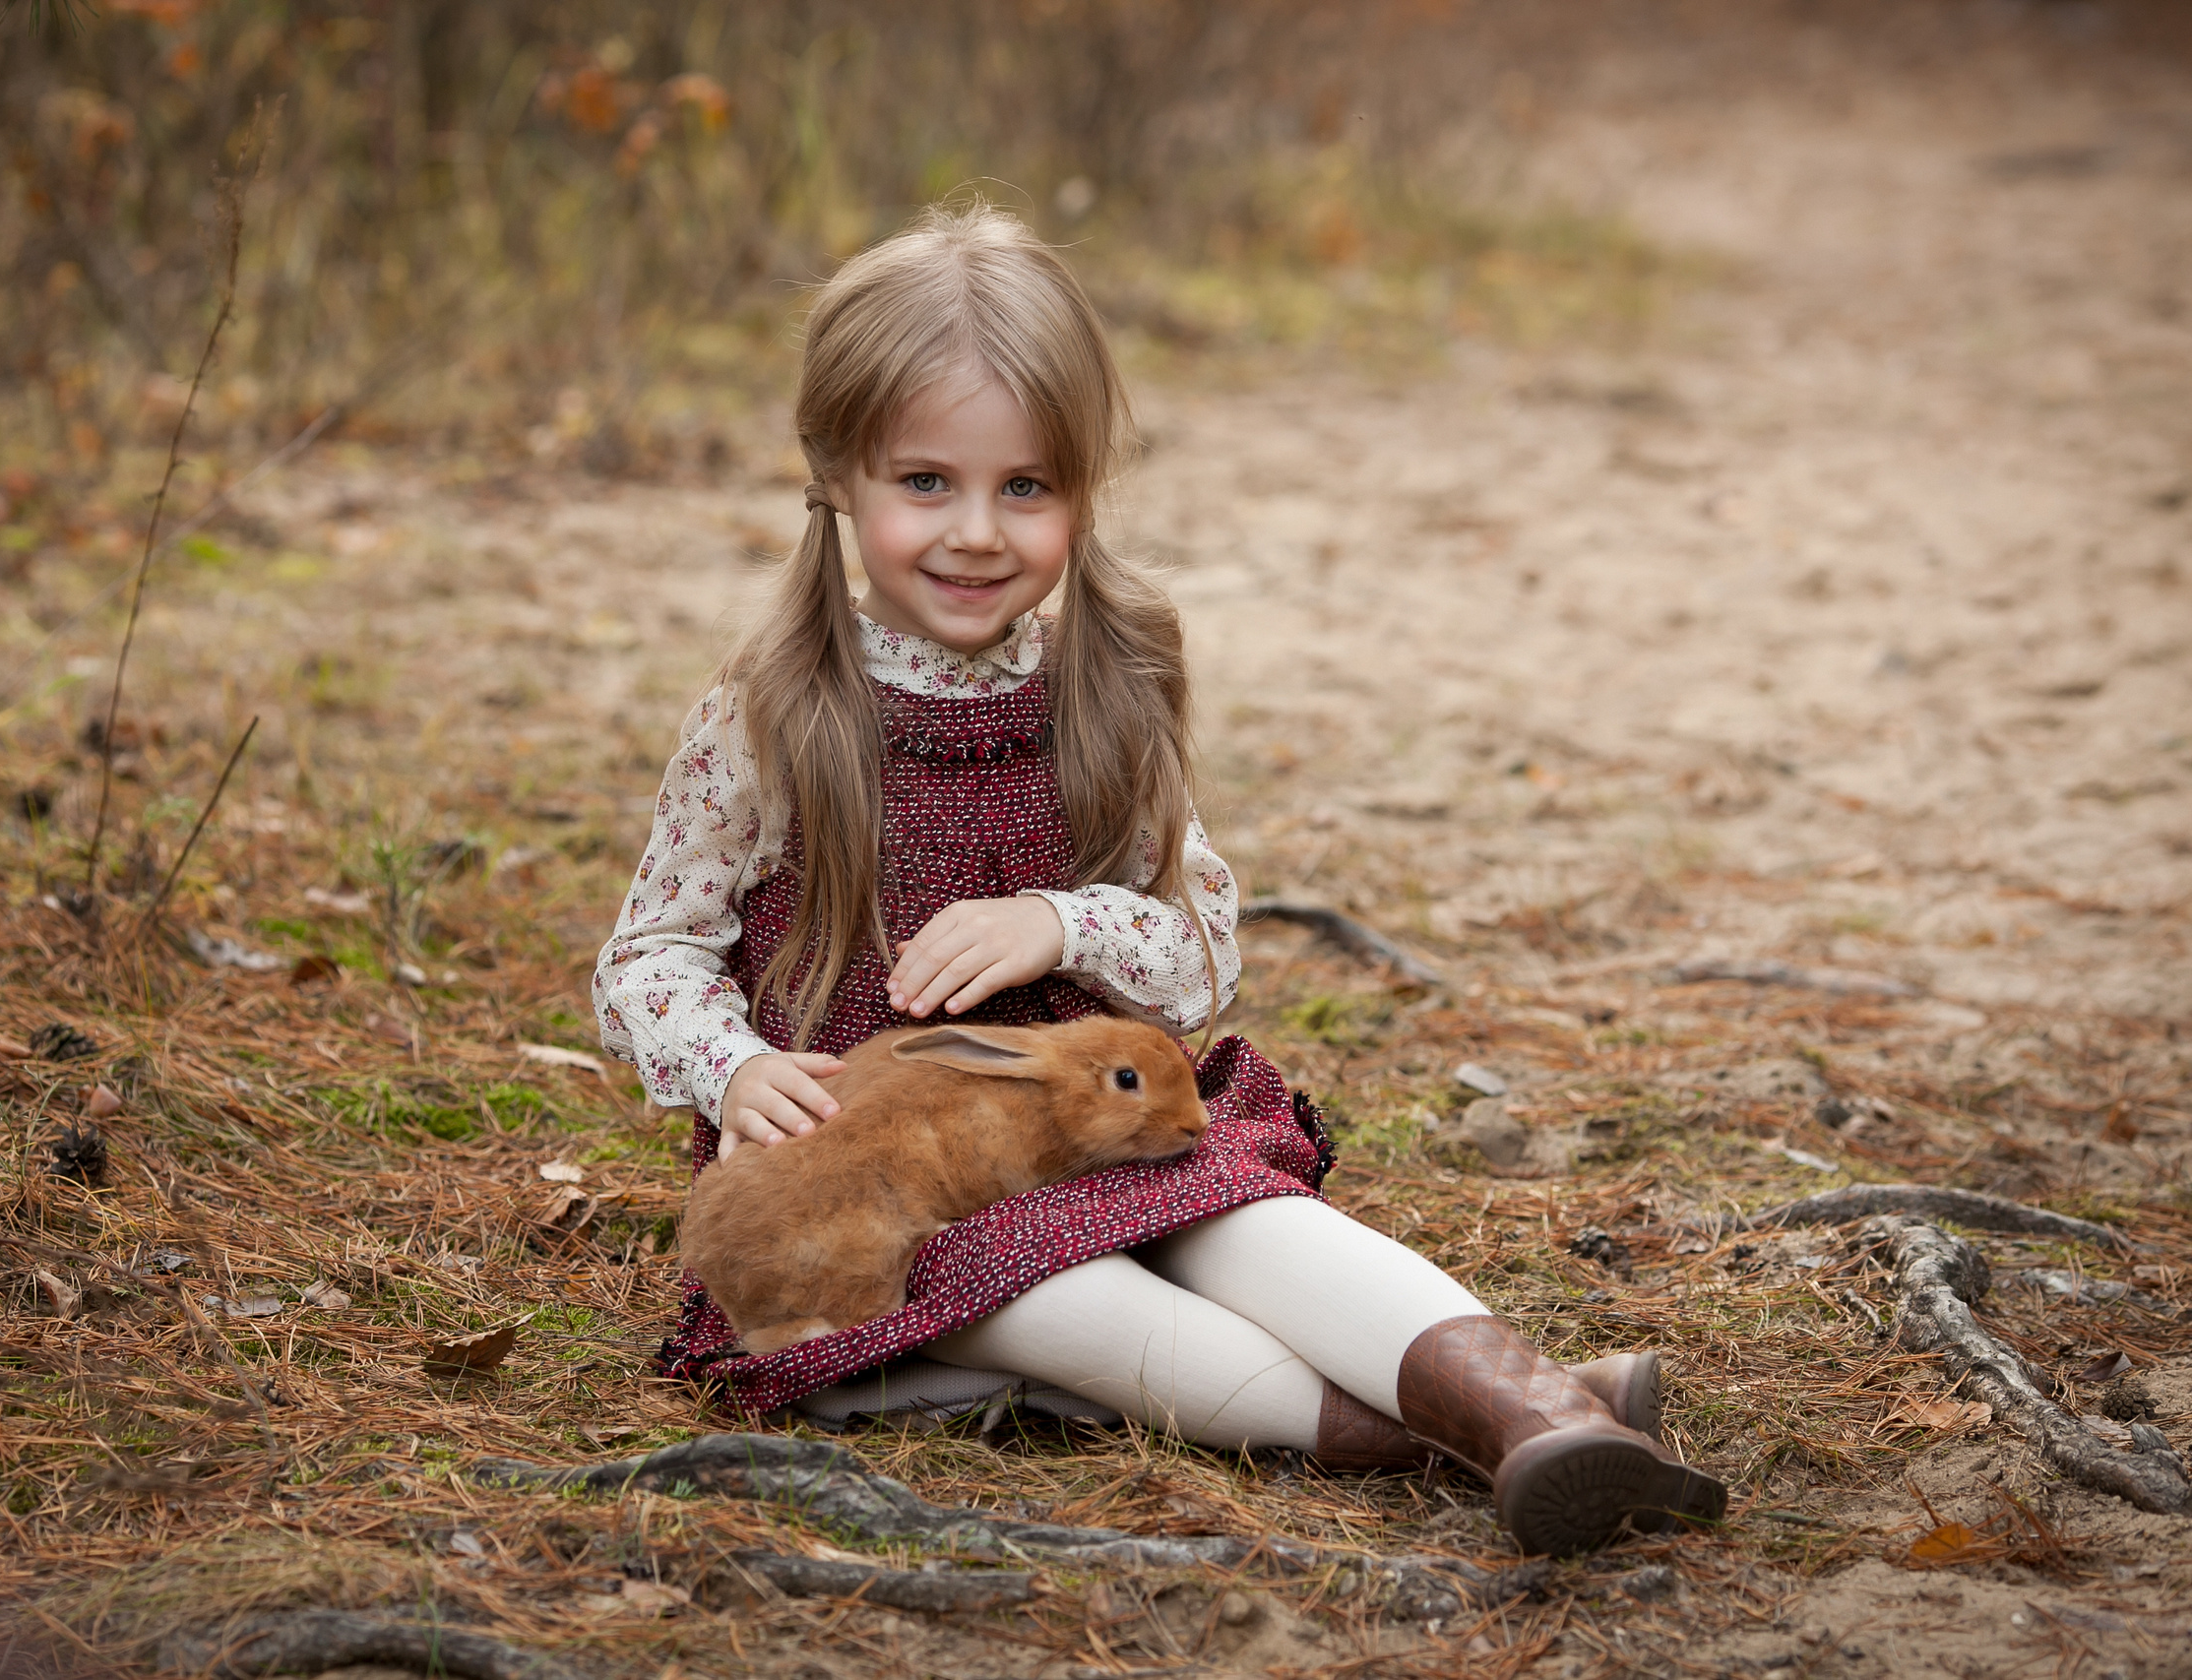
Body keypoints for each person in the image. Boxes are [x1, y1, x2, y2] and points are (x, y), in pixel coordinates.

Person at [594, 202, 1723, 1556]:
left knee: (1260, 1231)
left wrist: (1057, 919)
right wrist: (730, 1070)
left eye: (1026, 488)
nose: (975, 532)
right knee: (1075, 1308)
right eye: (925, 483)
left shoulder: (1106, 685)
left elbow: (1202, 942)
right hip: (881, 1188)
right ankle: (1489, 1434)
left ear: (1081, 489)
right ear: (836, 472)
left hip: (1097, 1123)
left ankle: (1538, 1413)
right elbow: (649, 954)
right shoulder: (775, 713)